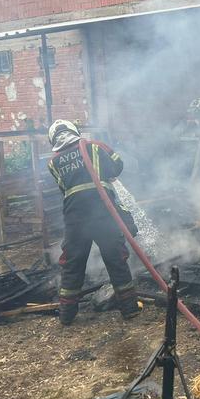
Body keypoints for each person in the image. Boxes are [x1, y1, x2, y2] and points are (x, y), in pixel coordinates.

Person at [47, 120, 140, 325]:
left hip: (75, 220)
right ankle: (130, 309)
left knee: (72, 264)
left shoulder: (52, 162)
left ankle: (67, 315)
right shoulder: (96, 147)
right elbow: (118, 165)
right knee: (116, 259)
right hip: (102, 214)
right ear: (74, 131)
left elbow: (65, 189)